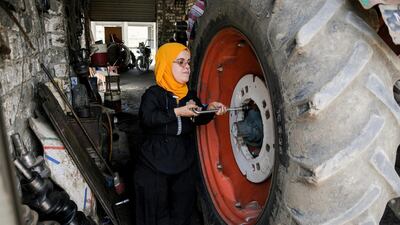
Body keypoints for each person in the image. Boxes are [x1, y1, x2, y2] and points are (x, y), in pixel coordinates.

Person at [134, 42, 227, 225]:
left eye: (189, 62)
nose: (187, 67)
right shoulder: (153, 95)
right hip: (155, 160)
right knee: (155, 211)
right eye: (180, 62)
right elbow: (148, 119)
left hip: (183, 158)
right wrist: (178, 112)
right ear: (166, 65)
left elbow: (198, 116)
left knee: (182, 210)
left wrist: (210, 109)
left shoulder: (189, 95)